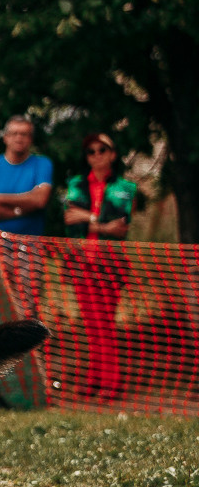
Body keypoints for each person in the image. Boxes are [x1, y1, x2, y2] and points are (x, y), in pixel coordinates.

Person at [62, 131, 138, 399]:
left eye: (101, 150)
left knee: (105, 322)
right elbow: (70, 219)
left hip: (110, 265)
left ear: (112, 154)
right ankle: (94, 378)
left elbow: (120, 225)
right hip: (82, 263)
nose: (96, 155)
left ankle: (111, 382)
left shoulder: (126, 188)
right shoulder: (76, 184)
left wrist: (89, 218)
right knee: (90, 323)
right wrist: (100, 221)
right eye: (91, 151)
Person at [0, 116, 53, 317]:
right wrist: (23, 205)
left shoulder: (42, 164)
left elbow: (40, 200)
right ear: (5, 137)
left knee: (27, 307)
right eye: (14, 133)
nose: (19, 138)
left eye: (24, 134)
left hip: (30, 246)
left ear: (31, 139)